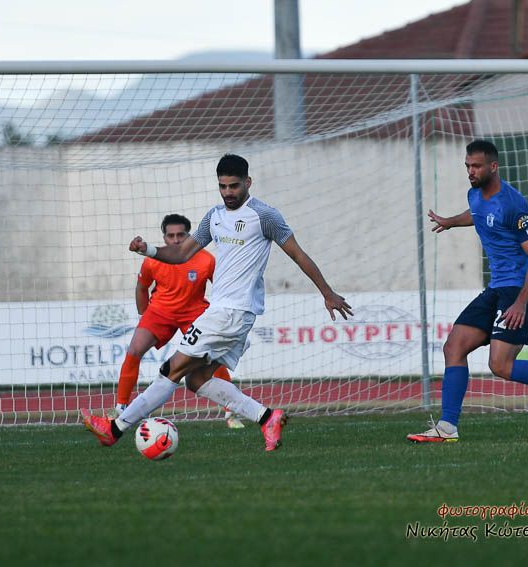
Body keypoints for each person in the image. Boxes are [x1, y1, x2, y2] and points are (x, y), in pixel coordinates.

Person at [82, 154, 353, 451]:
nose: (228, 192)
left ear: (248, 182)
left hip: (232, 312)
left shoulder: (265, 216)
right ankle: (267, 418)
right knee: (196, 380)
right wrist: (147, 249)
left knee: (171, 370)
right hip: (225, 312)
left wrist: (327, 293)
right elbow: (181, 253)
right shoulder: (214, 216)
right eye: (223, 186)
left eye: (234, 186)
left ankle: (115, 429)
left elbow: (298, 254)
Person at [408, 140, 528, 443]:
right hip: (496, 288)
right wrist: (451, 222)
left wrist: (521, 303)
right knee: (453, 347)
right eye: (468, 166)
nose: (470, 171)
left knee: (500, 365)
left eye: (476, 166)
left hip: (518, 291)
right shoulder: (474, 194)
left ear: (493, 167)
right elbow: (478, 214)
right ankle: (447, 427)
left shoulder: (513, 204)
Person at [112, 213, 245, 428]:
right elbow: (142, 287)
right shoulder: (152, 260)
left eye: (180, 235)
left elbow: (222, 291)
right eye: (170, 236)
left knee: (212, 357)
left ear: (189, 236)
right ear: (164, 238)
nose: (175, 240)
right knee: (134, 349)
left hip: (194, 312)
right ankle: (120, 409)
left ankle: (231, 412)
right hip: (159, 312)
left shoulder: (206, 260)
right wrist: (144, 316)